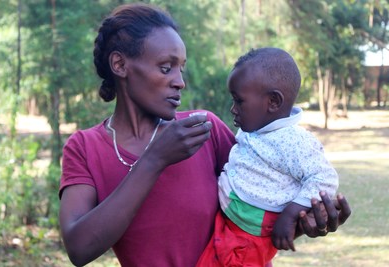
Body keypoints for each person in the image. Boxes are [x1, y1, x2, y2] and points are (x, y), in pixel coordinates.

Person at [58, 3, 351, 267]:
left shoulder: (202, 130)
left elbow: (258, 208)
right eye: (165, 67)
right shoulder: (85, 147)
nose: (179, 82)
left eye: (181, 69)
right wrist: (155, 159)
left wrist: (306, 220)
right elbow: (79, 249)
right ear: (120, 65)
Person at [196, 47, 339, 267]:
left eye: (239, 101)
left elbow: (325, 178)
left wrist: (291, 214)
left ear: (273, 101)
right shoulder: (254, 128)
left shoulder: (294, 141)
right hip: (230, 223)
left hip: (249, 236)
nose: (233, 109)